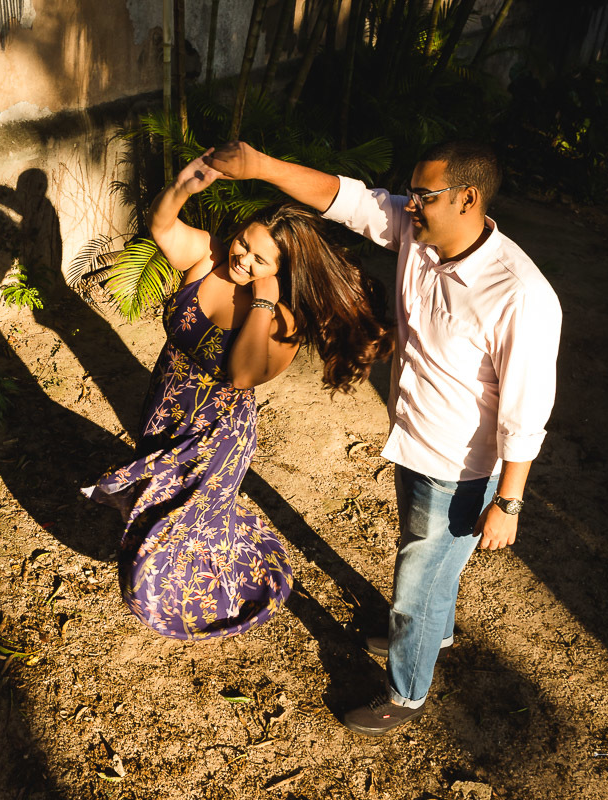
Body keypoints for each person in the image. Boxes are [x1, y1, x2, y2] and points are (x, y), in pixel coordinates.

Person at [205, 140, 562, 734]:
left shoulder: (520, 295)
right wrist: (263, 166)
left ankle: (405, 692)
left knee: (416, 581)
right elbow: (346, 199)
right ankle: (429, 630)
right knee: (426, 565)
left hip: (463, 470)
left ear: (468, 198)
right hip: (414, 441)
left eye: (424, 195)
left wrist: (509, 501)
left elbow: (527, 412)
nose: (410, 204)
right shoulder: (420, 236)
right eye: (411, 193)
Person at [83, 151, 392, 640]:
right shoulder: (206, 258)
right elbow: (162, 227)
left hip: (218, 434)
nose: (242, 258)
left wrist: (264, 302)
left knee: (178, 521)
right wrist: (183, 187)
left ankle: (177, 600)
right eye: (244, 243)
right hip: (164, 407)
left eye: (258, 259)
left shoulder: (284, 320)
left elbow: (243, 374)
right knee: (158, 501)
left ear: (280, 270)